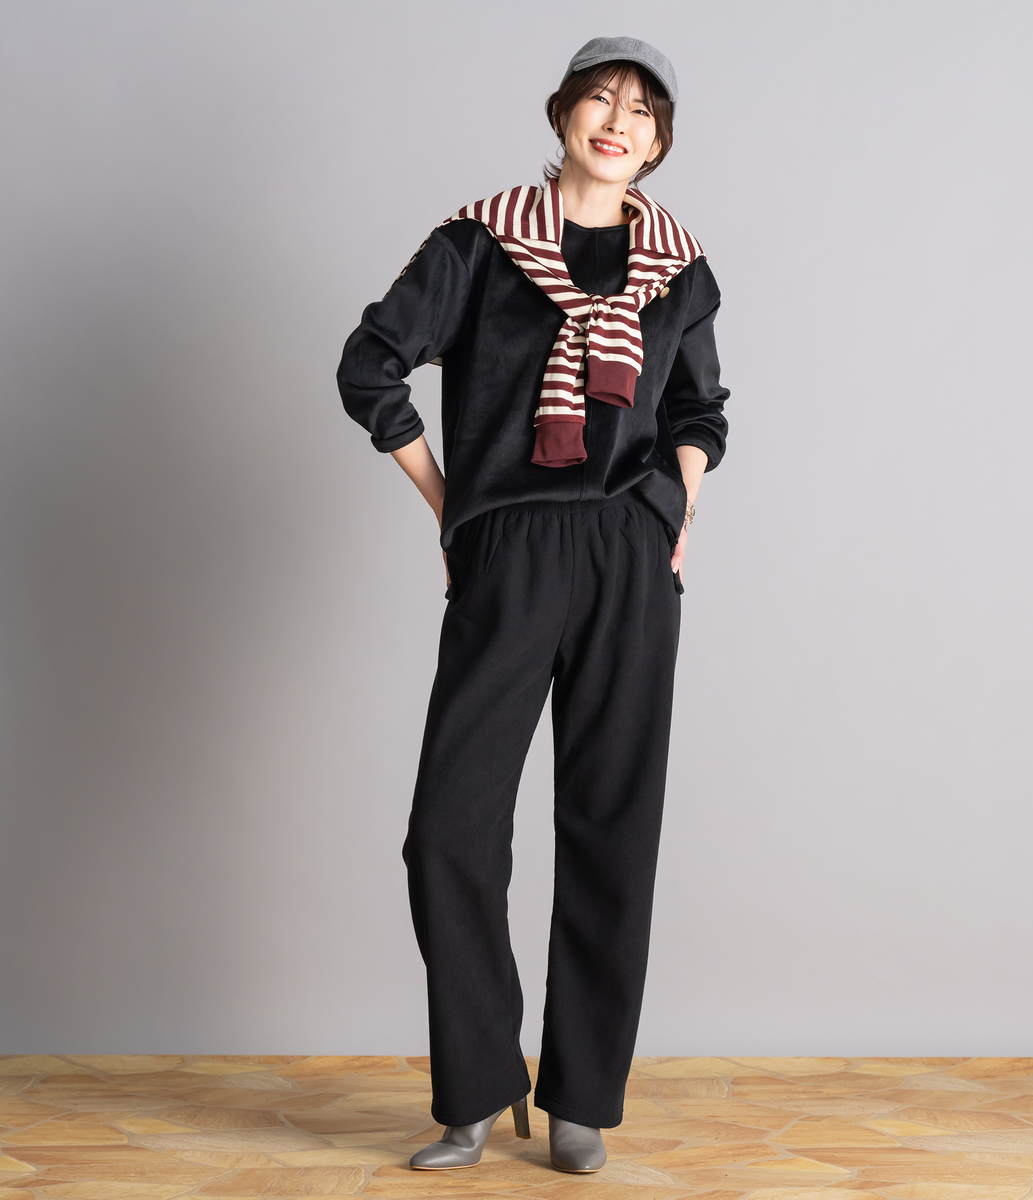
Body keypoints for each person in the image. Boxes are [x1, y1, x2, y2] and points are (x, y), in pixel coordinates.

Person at [337, 35, 729, 1174]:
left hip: (630, 552)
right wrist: (451, 507)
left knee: (613, 824)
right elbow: (370, 364)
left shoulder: (679, 266)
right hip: (507, 547)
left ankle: (582, 1101)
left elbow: (701, 410)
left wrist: (677, 507)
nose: (619, 121)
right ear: (562, 113)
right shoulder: (479, 241)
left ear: (657, 144)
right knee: (449, 828)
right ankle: (475, 1087)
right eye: (601, 98)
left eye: (643, 111)